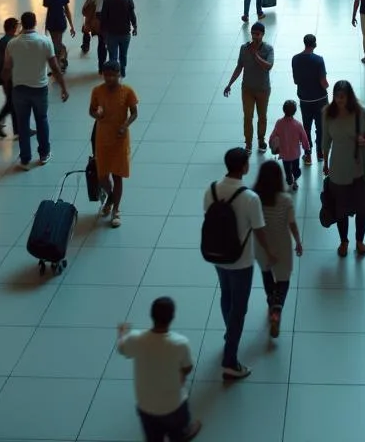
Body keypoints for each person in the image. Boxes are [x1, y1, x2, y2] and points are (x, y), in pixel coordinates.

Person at [203, 148, 275, 381]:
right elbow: (260, 230)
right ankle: (230, 361)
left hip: (216, 255)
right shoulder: (249, 198)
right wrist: (270, 252)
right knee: (239, 309)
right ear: (244, 167)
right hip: (240, 260)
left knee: (226, 295)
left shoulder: (211, 189)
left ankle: (229, 335)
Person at [116, 298, 201, 442]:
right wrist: (181, 374)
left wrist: (122, 332)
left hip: (146, 407)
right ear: (172, 317)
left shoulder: (136, 339)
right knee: (178, 433)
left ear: (151, 315)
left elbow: (122, 348)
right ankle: (182, 434)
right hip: (174, 406)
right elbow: (188, 367)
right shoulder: (180, 343)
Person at [3, 11, 69, 171]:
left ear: (22, 24)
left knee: (23, 124)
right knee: (42, 120)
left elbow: (6, 69)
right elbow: (55, 67)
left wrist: (7, 87)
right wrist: (63, 87)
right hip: (39, 89)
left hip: (19, 90)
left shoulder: (12, 44)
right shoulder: (44, 41)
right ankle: (44, 153)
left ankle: (25, 159)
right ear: (35, 22)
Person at [322, 80, 365, 258]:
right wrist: (325, 163)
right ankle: (344, 241)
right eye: (336, 97)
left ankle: (359, 241)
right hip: (338, 169)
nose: (339, 101)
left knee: (362, 208)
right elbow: (325, 141)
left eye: (342, 97)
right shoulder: (327, 113)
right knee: (341, 209)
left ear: (349, 97)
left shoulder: (361, 112)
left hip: (359, 169)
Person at [253, 160, 302, 339]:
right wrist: (298, 241)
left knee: (266, 273)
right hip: (281, 245)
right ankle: (277, 307)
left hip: (261, 244)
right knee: (283, 278)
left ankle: (270, 300)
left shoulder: (254, 198)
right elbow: (292, 224)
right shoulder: (285, 199)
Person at [89, 62, 138, 228]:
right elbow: (91, 110)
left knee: (117, 175)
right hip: (102, 138)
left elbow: (134, 113)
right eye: (106, 75)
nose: (109, 78)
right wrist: (97, 115)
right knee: (102, 176)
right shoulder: (97, 91)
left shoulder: (128, 91)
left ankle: (116, 209)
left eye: (113, 75)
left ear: (119, 74)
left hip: (120, 139)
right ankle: (111, 197)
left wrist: (125, 125)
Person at [223, 23, 274, 154]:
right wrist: (229, 84)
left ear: (263, 34)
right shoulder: (244, 48)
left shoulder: (268, 49)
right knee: (248, 116)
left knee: (262, 116)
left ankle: (261, 140)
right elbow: (239, 66)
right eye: (253, 33)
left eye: (257, 34)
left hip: (263, 89)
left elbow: (268, 66)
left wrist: (256, 55)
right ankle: (248, 142)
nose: (255, 36)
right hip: (247, 89)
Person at [292, 34, 328, 167]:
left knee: (306, 127)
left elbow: (296, 80)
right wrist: (327, 87)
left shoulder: (295, 59)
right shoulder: (319, 60)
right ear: (314, 44)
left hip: (305, 99)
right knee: (320, 127)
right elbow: (323, 81)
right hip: (320, 99)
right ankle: (320, 153)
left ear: (304, 43)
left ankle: (307, 153)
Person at [98, 0, 138, 77]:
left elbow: (104, 17)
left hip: (112, 34)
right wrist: (135, 26)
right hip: (125, 33)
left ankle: (114, 72)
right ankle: (123, 69)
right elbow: (132, 15)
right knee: (123, 54)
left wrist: (103, 31)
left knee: (113, 55)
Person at [0, 16, 20, 138]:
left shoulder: (4, 40)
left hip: (7, 77)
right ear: (13, 28)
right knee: (13, 103)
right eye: (17, 26)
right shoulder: (10, 42)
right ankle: (13, 129)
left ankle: (17, 130)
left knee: (12, 103)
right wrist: (6, 80)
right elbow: (5, 63)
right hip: (9, 77)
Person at [270, 100, 310, 189]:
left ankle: (289, 178)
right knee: (296, 169)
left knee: (287, 169)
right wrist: (306, 149)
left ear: (283, 110)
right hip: (295, 154)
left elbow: (273, 136)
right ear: (295, 112)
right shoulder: (298, 124)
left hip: (284, 154)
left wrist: (272, 144)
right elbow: (304, 138)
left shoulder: (279, 123)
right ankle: (295, 180)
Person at [80, 0, 113, 68]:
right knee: (104, 41)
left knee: (94, 35)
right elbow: (109, 2)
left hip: (92, 14)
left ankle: (86, 47)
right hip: (103, 16)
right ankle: (105, 65)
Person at [42, 0, 75, 69]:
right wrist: (45, 25)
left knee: (57, 43)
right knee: (54, 42)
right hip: (51, 22)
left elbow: (67, 9)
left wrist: (71, 25)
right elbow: (48, 9)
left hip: (61, 21)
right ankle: (61, 59)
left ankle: (59, 61)